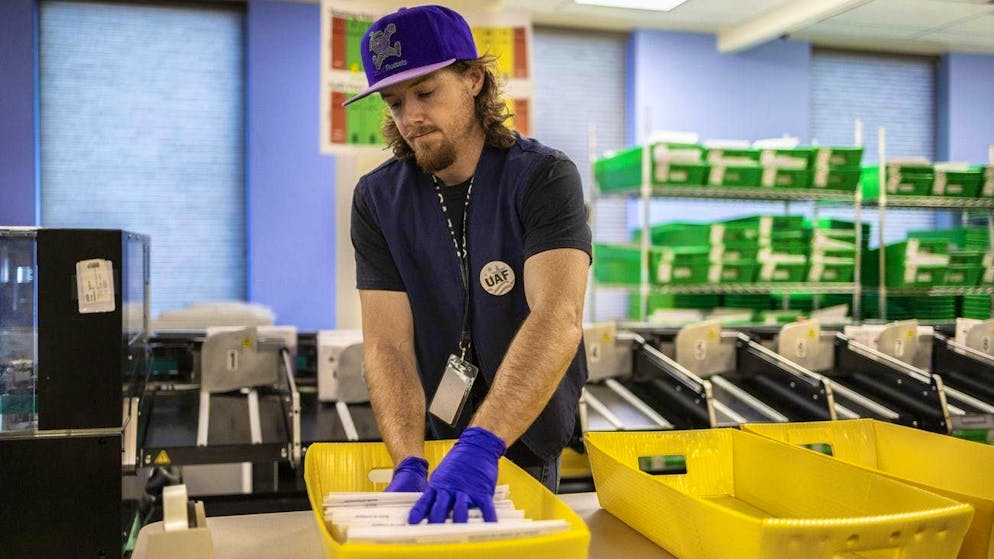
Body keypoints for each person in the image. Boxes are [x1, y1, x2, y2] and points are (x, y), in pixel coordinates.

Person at [346, 4, 590, 525]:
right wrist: (408, 457)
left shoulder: (543, 177)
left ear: (474, 79)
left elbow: (558, 317)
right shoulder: (378, 198)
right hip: (433, 433)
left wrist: (482, 444)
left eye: (426, 92)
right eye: (394, 102)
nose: (409, 116)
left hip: (524, 434)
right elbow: (386, 343)